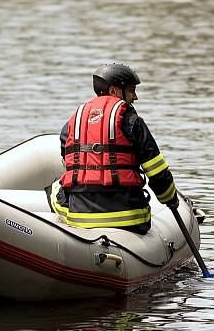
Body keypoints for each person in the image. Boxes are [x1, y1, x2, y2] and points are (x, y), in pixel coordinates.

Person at [50, 63, 178, 234]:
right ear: (113, 91)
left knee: (53, 188)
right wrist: (171, 199)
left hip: (80, 218)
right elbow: (157, 171)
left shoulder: (73, 123)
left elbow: (70, 164)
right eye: (132, 90)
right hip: (131, 220)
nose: (135, 97)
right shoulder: (132, 121)